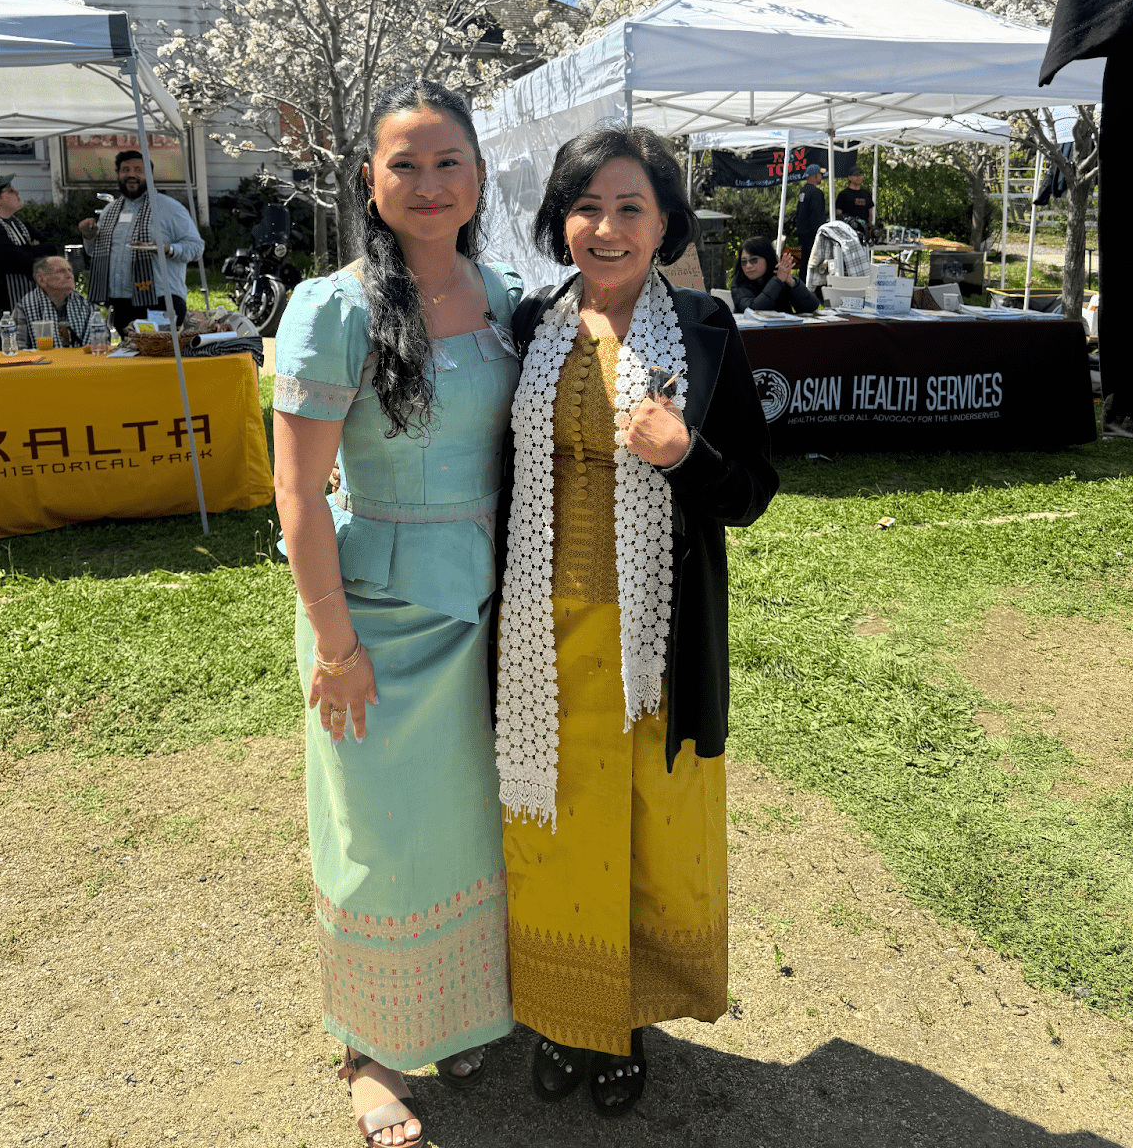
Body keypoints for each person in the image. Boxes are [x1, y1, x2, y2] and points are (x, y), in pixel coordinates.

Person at [496, 125, 778, 1117]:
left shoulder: (704, 328)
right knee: (554, 834)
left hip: (655, 640)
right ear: (558, 220)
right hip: (541, 637)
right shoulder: (530, 322)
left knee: (648, 835)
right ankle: (563, 1014)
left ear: (664, 224)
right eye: (586, 206)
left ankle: (622, 1022)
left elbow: (750, 491)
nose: (605, 227)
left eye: (629, 208)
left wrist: (683, 455)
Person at [272, 80, 519, 1148]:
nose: (427, 184)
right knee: (375, 836)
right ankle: (368, 1051)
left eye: (447, 161)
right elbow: (295, 494)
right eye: (404, 164)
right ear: (369, 180)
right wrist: (334, 643)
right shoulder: (333, 308)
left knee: (467, 830)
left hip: (489, 605)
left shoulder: (509, 293)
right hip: (369, 613)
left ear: (478, 175)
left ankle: (458, 1012)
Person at [79, 150, 204, 334]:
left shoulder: (169, 208)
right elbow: (94, 252)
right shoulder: (109, 211)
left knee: (162, 359)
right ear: (118, 174)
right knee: (129, 358)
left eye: (138, 170)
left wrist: (169, 249)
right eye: (125, 170)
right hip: (121, 301)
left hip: (160, 300)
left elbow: (196, 247)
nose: (131, 175)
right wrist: (88, 236)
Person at [0, 175, 54, 349]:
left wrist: (25, 249)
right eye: (10, 190)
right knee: (7, 357)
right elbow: (19, 261)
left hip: (28, 305)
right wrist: (30, 249)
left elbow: (51, 247)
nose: (17, 192)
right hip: (0, 309)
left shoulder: (19, 225)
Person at [13, 255, 104, 348]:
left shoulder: (85, 304)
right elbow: (18, 346)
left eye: (70, 271)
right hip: (42, 361)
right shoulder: (25, 306)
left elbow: (101, 338)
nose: (69, 276)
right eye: (61, 271)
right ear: (41, 279)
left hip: (83, 361)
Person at [730, 236, 818, 315]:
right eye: (744, 262)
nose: (748, 266)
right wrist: (777, 281)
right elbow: (754, 310)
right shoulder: (738, 283)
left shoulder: (780, 277)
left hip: (784, 330)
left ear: (767, 259)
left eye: (753, 260)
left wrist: (792, 283)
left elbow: (811, 307)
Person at [793, 163, 827, 278]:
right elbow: (817, 215)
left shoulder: (803, 191)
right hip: (812, 234)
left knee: (804, 261)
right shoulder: (816, 193)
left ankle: (802, 283)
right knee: (813, 262)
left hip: (803, 232)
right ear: (816, 175)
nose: (821, 176)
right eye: (820, 174)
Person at [835, 165, 874, 231]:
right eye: (856, 175)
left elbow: (870, 212)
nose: (859, 177)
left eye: (860, 175)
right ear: (849, 178)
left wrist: (870, 228)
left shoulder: (866, 193)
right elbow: (838, 214)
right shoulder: (843, 194)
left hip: (864, 230)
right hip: (849, 230)